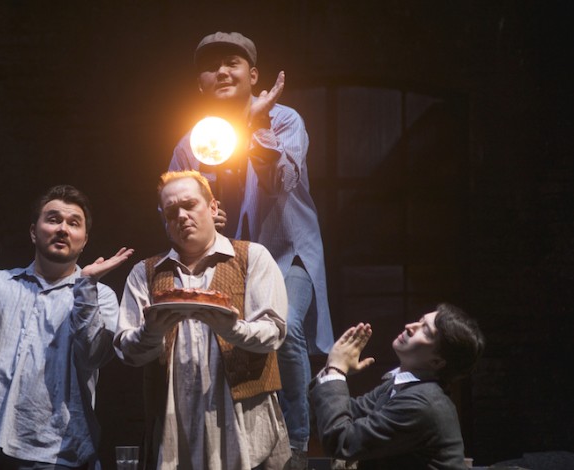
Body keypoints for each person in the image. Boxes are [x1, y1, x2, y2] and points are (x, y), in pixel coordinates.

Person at [169, 31, 333, 467]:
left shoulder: (284, 120)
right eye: (212, 67)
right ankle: (246, 445)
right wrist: (202, 216)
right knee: (228, 343)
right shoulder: (196, 140)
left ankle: (297, 446)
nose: (222, 72)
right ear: (200, 83)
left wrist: (257, 127)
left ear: (253, 75)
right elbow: (171, 201)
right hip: (231, 260)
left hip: (285, 250)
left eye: (232, 63)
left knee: (286, 328)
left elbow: (282, 182)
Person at [0, 185, 134, 470]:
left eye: (73, 223)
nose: (63, 229)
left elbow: (92, 356)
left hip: (59, 453)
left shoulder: (101, 295)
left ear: (84, 240)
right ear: (34, 232)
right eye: (53, 219)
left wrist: (86, 287)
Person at [115, 170, 291, 469]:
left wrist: (232, 329)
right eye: (171, 211)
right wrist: (151, 333)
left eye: (189, 205)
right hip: (175, 425)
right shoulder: (145, 273)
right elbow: (127, 351)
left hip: (244, 422)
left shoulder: (252, 257)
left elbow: (274, 332)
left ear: (212, 207)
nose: (181, 216)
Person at [310, 303, 485, 469]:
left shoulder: (422, 403)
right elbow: (330, 419)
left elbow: (342, 441)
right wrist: (333, 369)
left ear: (437, 361)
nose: (410, 326)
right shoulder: (400, 386)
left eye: (425, 330)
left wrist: (336, 370)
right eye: (420, 321)